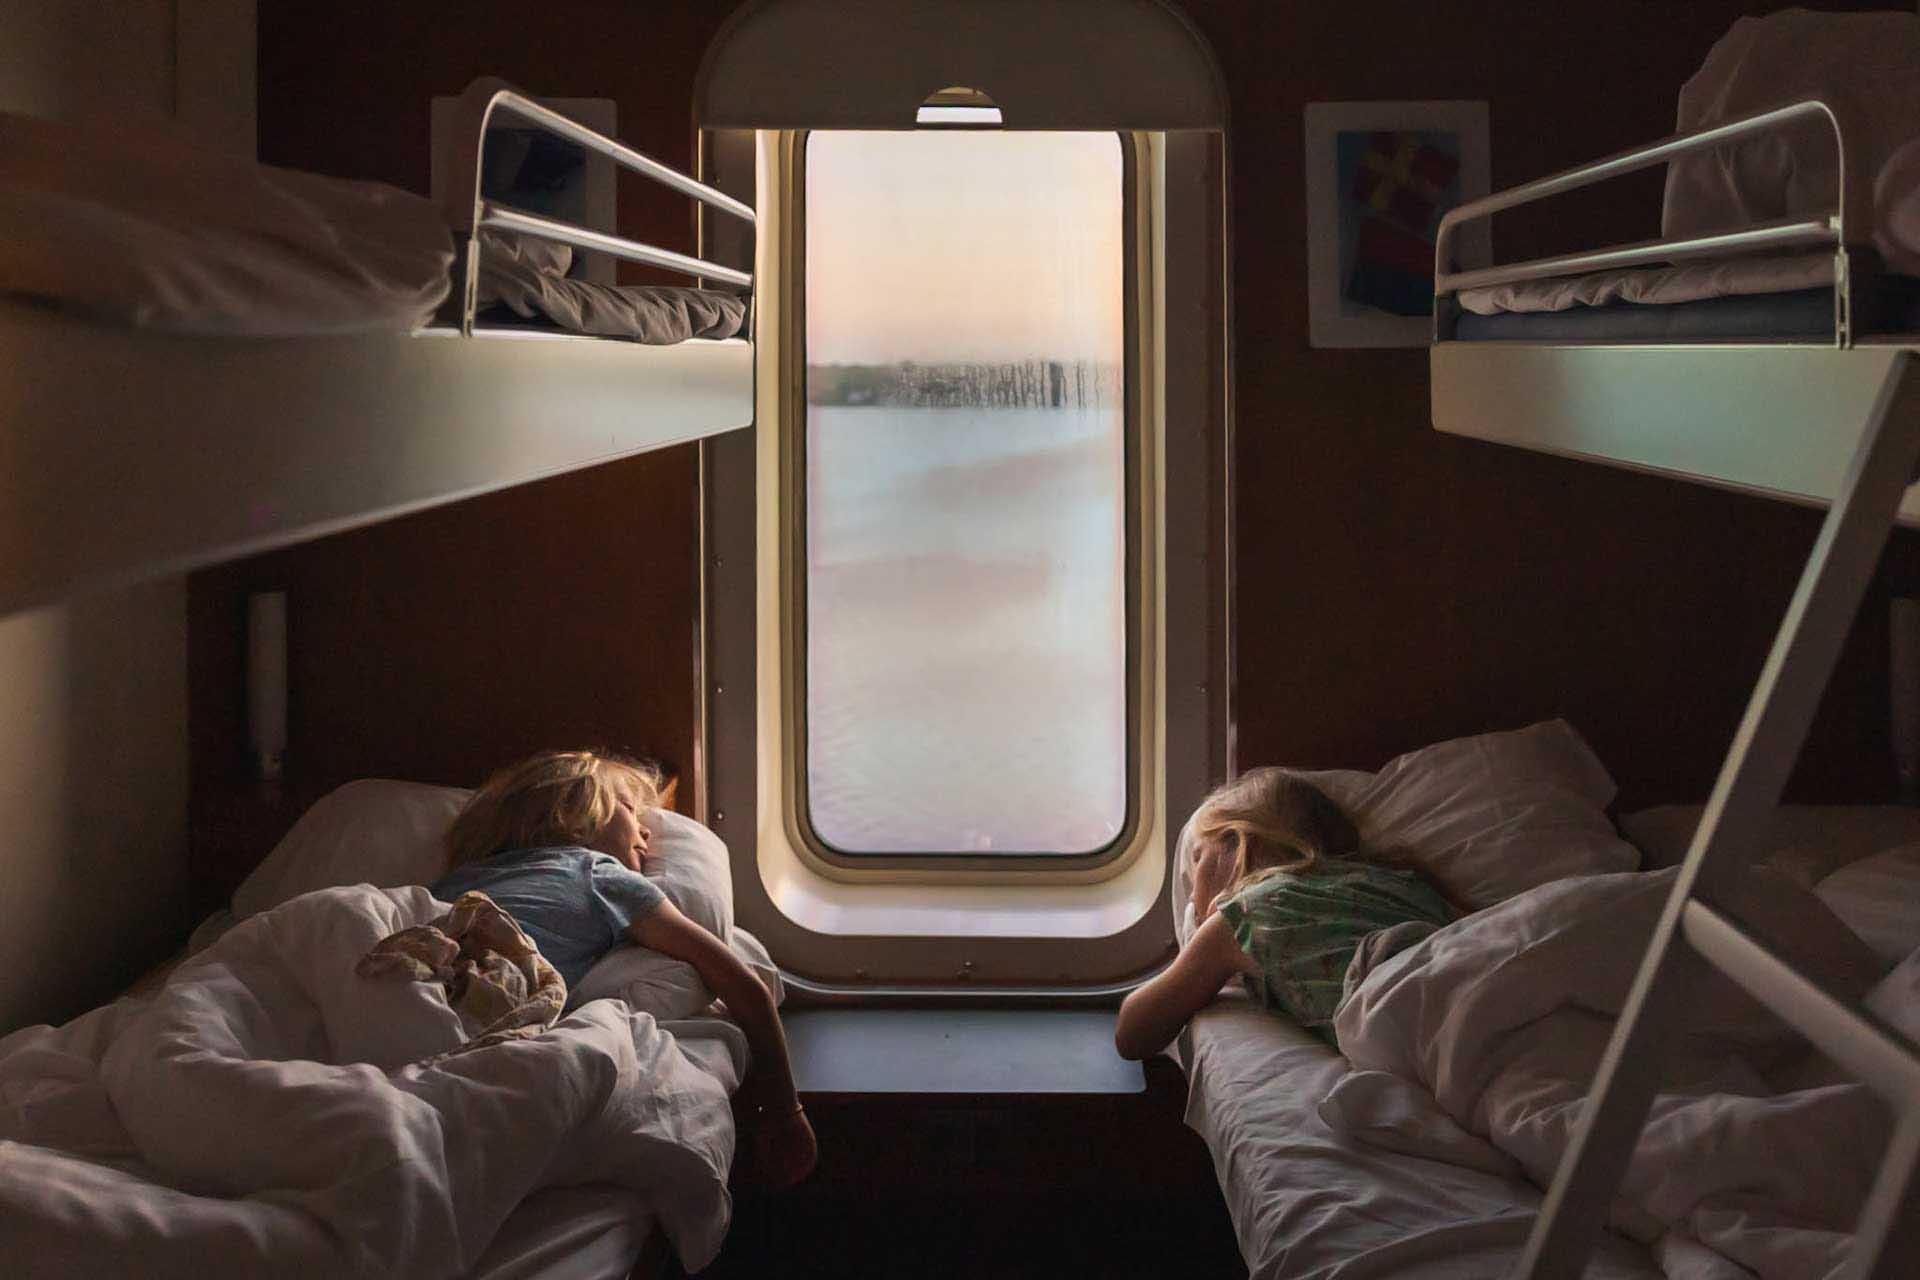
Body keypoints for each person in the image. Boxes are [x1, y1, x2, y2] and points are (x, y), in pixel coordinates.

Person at [429, 748, 817, 1187]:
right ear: (577, 813)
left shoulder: (451, 883)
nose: (647, 834)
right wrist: (786, 1110)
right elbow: (739, 982)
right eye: (632, 811)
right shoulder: (597, 874)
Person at [1114, 769, 1455, 1060]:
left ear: (1238, 843)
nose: (1191, 891)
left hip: (1419, 1012)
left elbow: (1133, 1033)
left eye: (1199, 857)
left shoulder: (1242, 916)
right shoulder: (1402, 880)